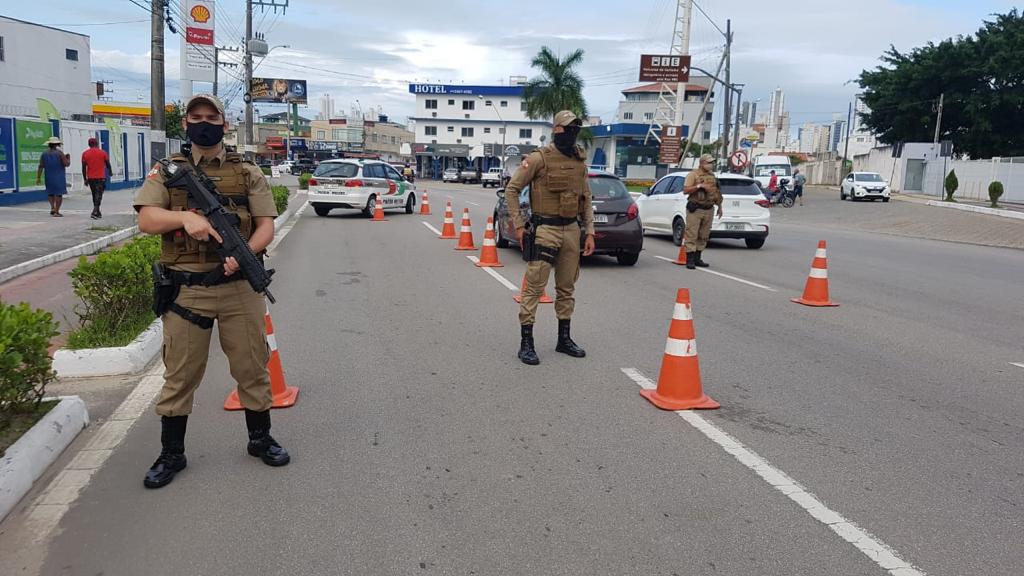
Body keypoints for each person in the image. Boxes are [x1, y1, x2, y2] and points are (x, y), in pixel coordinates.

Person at [134, 94, 290, 489]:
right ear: (185, 124)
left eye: (212, 117)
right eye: (196, 117)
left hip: (239, 288)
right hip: (188, 292)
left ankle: (260, 438)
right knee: (181, 374)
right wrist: (185, 216)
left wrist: (246, 255)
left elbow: (265, 225)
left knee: (252, 367)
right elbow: (148, 219)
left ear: (225, 122)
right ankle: (172, 452)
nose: (204, 123)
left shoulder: (247, 171)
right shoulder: (168, 171)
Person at [504, 110, 595, 366]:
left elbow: (586, 199)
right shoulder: (538, 159)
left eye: (576, 128)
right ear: (556, 130)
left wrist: (590, 232)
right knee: (534, 288)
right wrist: (520, 226)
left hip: (572, 231)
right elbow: (512, 190)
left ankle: (563, 339)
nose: (573, 133)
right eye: (568, 128)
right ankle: (526, 343)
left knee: (567, 288)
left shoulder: (579, 161)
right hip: (545, 230)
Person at [681, 154, 724, 270]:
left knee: (704, 235)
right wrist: (700, 186)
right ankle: (689, 259)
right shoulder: (693, 175)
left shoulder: (712, 176)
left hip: (709, 208)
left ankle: (697, 258)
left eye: (712, 163)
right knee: (692, 234)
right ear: (701, 163)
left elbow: (716, 192)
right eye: (708, 162)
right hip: (696, 209)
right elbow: (685, 190)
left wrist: (719, 206)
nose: (711, 165)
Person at [36, 136, 70, 216]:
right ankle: (57, 211)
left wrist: (38, 177)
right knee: (59, 194)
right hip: (59, 177)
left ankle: (52, 207)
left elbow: (41, 166)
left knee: (50, 193)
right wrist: (68, 158)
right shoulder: (60, 153)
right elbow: (66, 164)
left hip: (49, 176)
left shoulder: (44, 154)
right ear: (57, 144)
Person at [81, 137, 112, 219]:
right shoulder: (103, 153)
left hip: (91, 178)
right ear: (97, 144)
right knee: (99, 194)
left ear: (89, 144)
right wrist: (110, 171)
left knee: (94, 194)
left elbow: (83, 167)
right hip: (100, 177)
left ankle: (97, 211)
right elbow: (108, 163)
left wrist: (85, 179)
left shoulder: (85, 153)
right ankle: (95, 211)